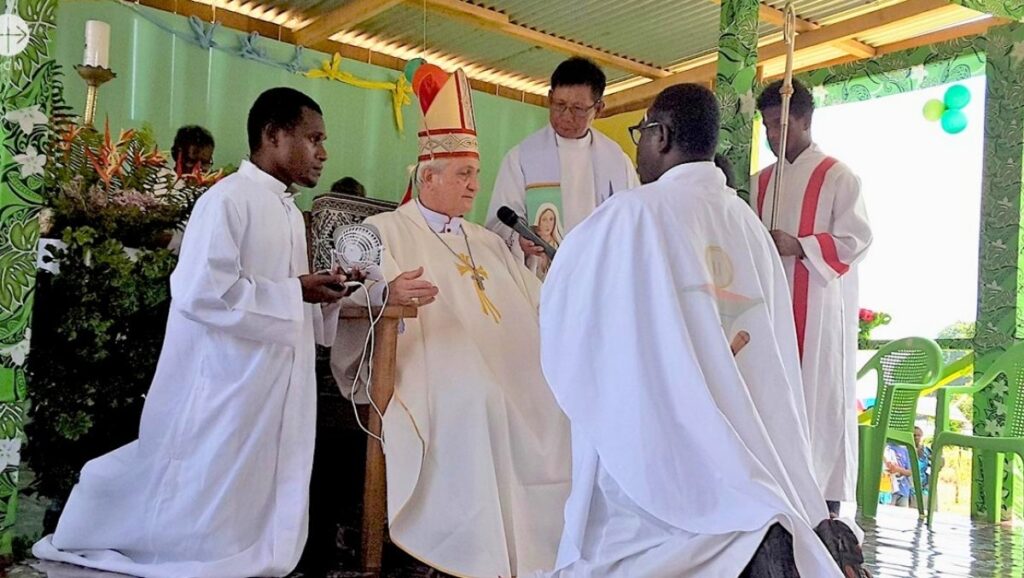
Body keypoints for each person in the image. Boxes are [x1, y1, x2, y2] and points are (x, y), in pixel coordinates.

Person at [538, 83, 868, 578]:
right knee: (737, 490)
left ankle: (740, 538)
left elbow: (567, 313)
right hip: (746, 443)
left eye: (642, 133)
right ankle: (754, 533)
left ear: (662, 136)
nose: (638, 147)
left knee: (630, 526)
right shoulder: (749, 225)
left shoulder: (631, 214)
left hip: (658, 447)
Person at [34, 87, 351, 578]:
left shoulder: (287, 209)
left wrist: (326, 293)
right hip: (223, 379)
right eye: (313, 138)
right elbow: (203, 292)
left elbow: (291, 295)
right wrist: (295, 292)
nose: (323, 152)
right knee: (199, 482)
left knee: (248, 484)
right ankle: (118, 532)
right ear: (272, 135)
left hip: (269, 379)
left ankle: (243, 555)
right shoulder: (226, 200)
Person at [332, 69, 571, 578]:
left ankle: (533, 547)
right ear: (428, 176)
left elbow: (535, 302)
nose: (475, 185)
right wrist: (385, 293)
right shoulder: (383, 230)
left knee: (555, 399)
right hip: (424, 361)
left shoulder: (487, 241)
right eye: (463, 173)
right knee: (482, 398)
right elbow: (351, 287)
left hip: (505, 362)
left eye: (475, 173)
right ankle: (467, 548)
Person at [751, 79, 873, 517]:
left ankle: (824, 505)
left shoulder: (838, 177)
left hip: (817, 312)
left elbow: (856, 239)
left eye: (781, 125)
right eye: (766, 126)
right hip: (768, 310)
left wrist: (800, 245)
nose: (773, 135)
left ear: (804, 119)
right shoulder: (760, 183)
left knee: (817, 402)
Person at [485, 57, 638, 276]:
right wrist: (520, 240)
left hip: (601, 275)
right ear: (549, 97)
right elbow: (498, 225)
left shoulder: (617, 161)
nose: (566, 116)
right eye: (559, 105)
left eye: (578, 109)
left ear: (599, 108)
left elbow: (633, 223)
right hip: (545, 279)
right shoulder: (521, 158)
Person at [528, 202, 563, 280]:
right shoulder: (533, 246)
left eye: (551, 219)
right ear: (539, 221)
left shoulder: (558, 246)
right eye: (544, 219)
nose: (548, 224)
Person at [883, 443, 914, 507]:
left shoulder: (905, 450)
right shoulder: (886, 448)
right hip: (888, 491)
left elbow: (910, 472)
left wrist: (898, 469)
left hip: (903, 490)